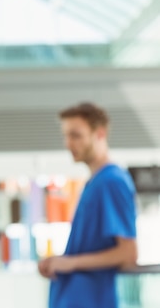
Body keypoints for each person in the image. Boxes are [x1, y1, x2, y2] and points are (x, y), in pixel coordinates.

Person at [38, 102, 137, 308]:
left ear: (99, 134)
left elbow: (128, 253)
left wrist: (70, 263)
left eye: (76, 135)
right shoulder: (94, 182)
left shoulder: (112, 181)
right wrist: (60, 262)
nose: (68, 143)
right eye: (65, 136)